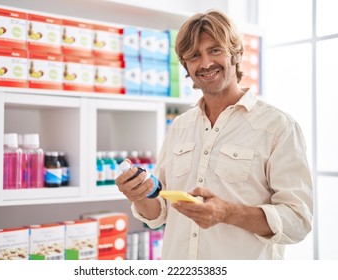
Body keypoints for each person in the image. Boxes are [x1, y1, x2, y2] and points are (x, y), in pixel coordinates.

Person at [115, 9, 313, 259]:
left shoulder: (278, 127)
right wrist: (140, 195)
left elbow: (298, 220)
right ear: (186, 66)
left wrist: (228, 213)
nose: (206, 63)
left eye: (215, 50)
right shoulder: (180, 126)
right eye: (195, 55)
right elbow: (159, 213)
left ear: (236, 54)